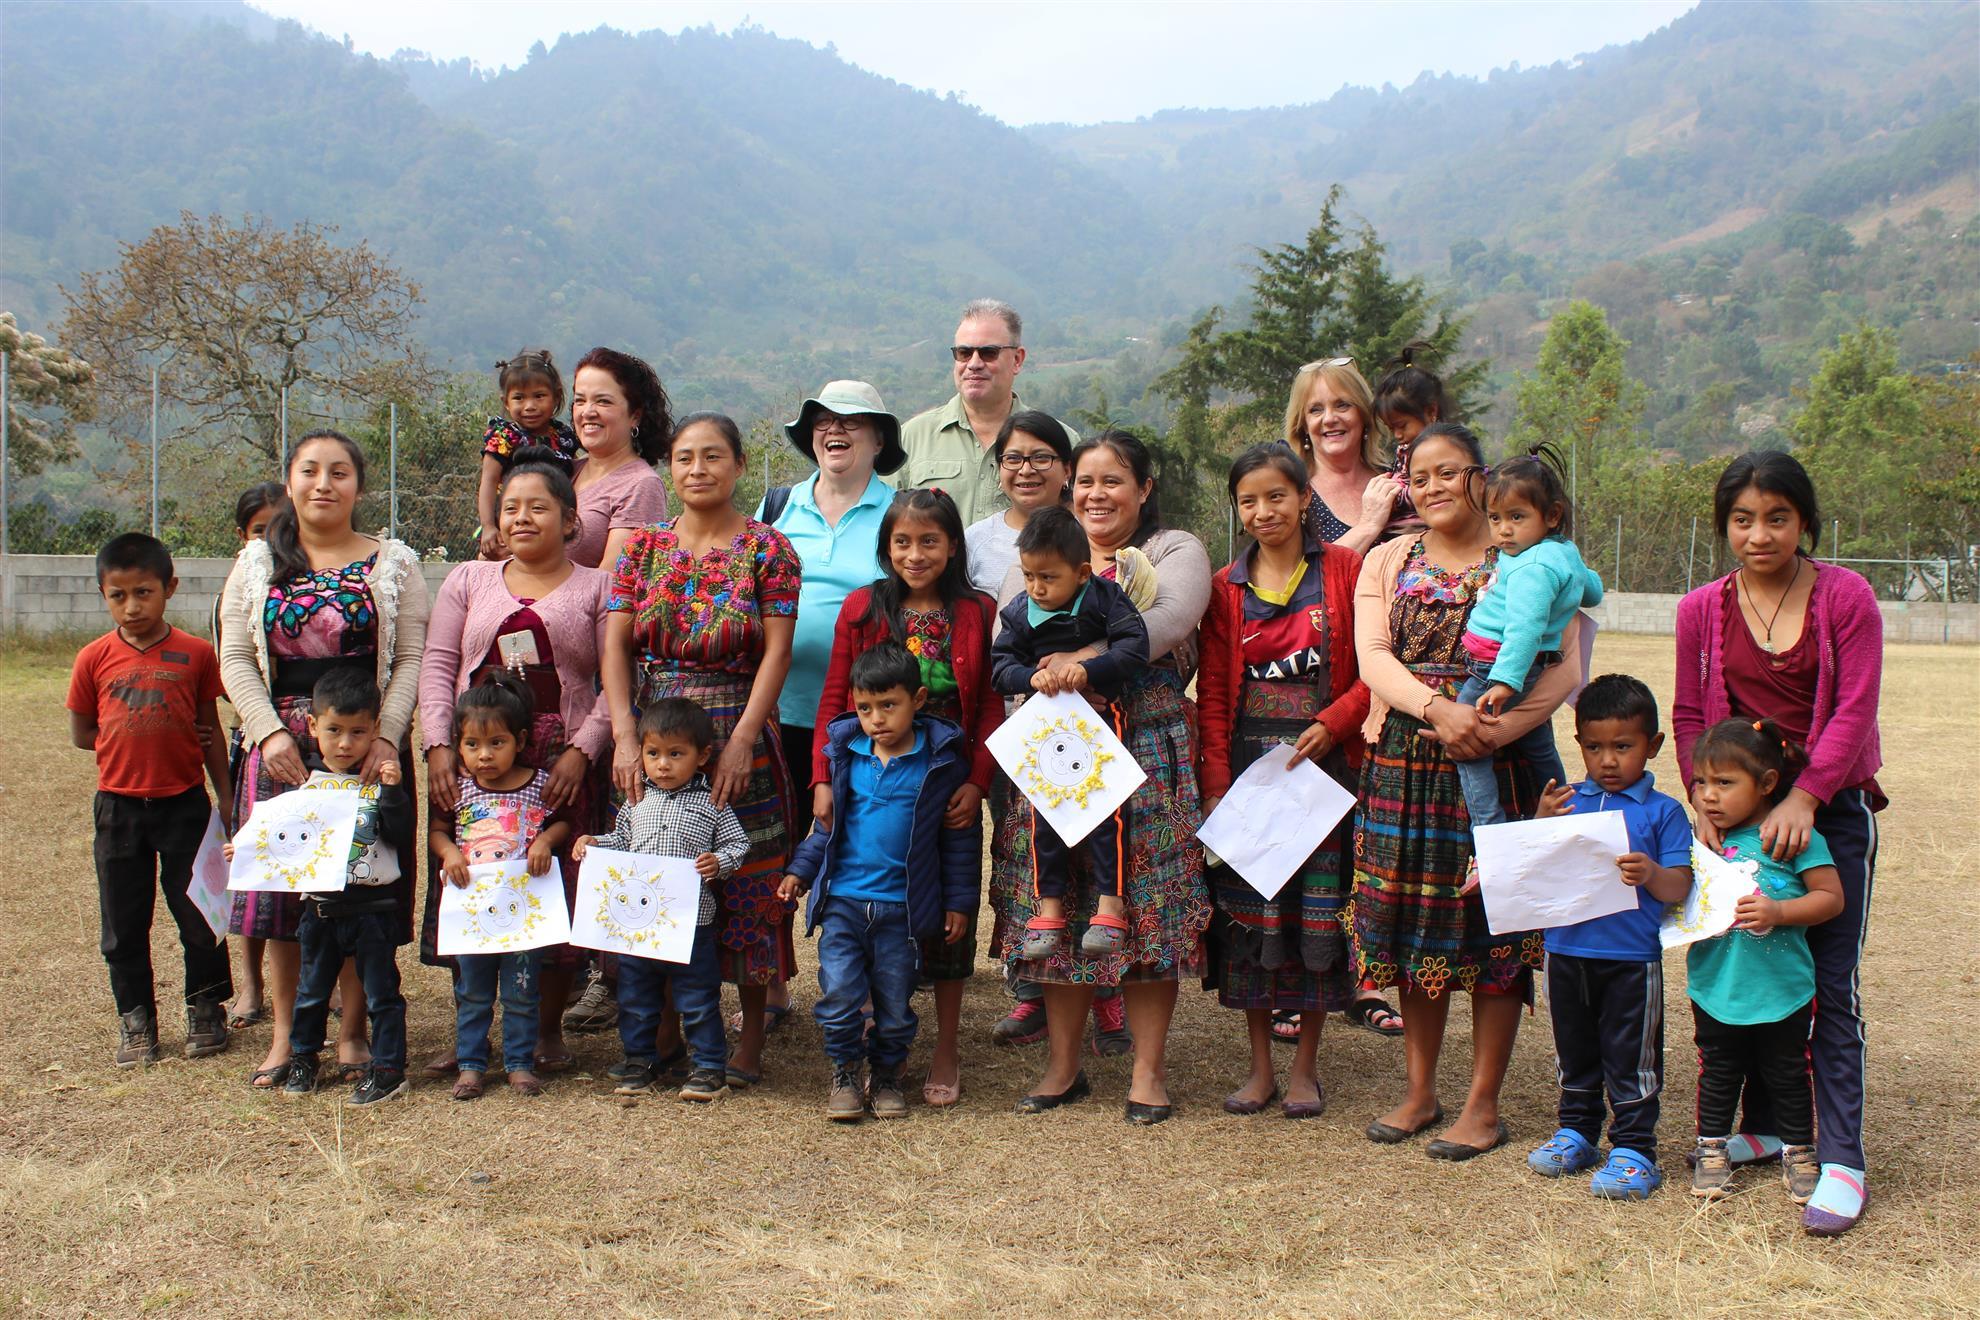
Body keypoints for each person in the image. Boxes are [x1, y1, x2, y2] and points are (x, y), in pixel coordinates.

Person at [1351, 422, 1583, 1159]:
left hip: (1500, 758)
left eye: (1449, 472)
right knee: (1417, 928)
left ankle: (1483, 1105)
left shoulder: (1530, 551)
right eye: (1420, 477)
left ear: (1481, 477)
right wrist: (1439, 712)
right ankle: (1420, 1092)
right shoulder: (1389, 558)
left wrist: (1496, 730)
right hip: (1409, 758)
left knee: (1495, 931)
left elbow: (1565, 665)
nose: (1433, 487)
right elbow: (1373, 655)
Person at [1673, 450, 1884, 1236]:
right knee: (1739, 969)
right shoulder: (1701, 609)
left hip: (1825, 811)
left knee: (1827, 986)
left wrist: (1806, 793)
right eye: (1741, 519)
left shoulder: (1846, 597)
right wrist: (1704, 799)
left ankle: (1842, 1161)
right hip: (1736, 822)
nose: (1759, 535)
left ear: (1804, 521)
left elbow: (1854, 709)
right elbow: (1691, 714)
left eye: (1777, 517)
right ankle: (1763, 1126)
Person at [991, 429, 1213, 1123]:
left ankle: (1147, 1072)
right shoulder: (1038, 554)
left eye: (1113, 480)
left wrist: (1075, 661)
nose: (1095, 493)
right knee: (1059, 902)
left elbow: (1164, 623)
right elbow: (1009, 639)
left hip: (1141, 738)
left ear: (1144, 489)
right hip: (1056, 740)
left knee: (1141, 900)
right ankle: (1063, 1066)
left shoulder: (1175, 550)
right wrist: (1044, 678)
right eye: (1084, 479)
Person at [218, 430, 428, 1091]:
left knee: (361, 893)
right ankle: (288, 1034)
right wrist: (272, 733)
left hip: (366, 747)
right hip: (283, 750)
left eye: (339, 472)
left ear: (359, 488)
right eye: (309, 471)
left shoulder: (392, 564)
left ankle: (353, 1033)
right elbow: (234, 657)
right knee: (288, 898)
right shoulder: (256, 561)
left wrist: (387, 738)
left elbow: (413, 658)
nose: (323, 483)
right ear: (289, 481)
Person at [603, 411, 801, 1087]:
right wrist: (625, 736)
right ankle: (659, 1032)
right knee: (651, 868)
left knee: (741, 878)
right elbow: (615, 647)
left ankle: (747, 1039)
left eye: (713, 456)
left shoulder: (768, 550)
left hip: (738, 723)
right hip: (654, 733)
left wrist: (744, 736)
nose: (697, 469)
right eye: (684, 457)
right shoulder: (641, 549)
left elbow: (778, 648)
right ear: (669, 467)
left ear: (740, 465)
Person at [419, 450, 614, 1075]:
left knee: (550, 883)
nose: (523, 518)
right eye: (510, 508)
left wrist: (584, 750)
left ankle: (546, 1031)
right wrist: (439, 745)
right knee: (469, 881)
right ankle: (471, 1032)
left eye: (539, 507)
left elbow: (618, 679)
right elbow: (438, 663)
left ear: (570, 520)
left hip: (562, 760)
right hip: (475, 756)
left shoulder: (598, 587)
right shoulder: (467, 581)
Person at [812, 489, 1003, 1107]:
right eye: (902, 542)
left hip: (946, 784)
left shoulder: (977, 609)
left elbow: (991, 705)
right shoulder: (863, 607)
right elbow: (837, 695)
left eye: (929, 541)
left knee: (950, 911)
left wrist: (977, 780)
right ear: (885, 546)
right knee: (869, 893)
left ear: (952, 546)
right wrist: (823, 776)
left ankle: (944, 1048)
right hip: (871, 773)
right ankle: (865, 1048)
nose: (915, 554)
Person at [1195, 445, 1368, 1120]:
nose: (1263, 511)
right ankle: (1260, 1067)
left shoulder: (1347, 571)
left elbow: (1368, 670)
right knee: (1252, 921)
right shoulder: (1223, 587)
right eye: (1248, 500)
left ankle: (1305, 1069)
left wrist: (1333, 721)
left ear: (1303, 499)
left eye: (1276, 496)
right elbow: (1212, 691)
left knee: (1313, 916)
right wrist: (1216, 781)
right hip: (1248, 777)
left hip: (1324, 775)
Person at [780, 644, 982, 1121]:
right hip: (845, 904)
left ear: (918, 699)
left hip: (903, 912)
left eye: (888, 706)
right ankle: (845, 1072)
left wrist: (957, 902)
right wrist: (799, 871)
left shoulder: (940, 764)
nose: (876, 719)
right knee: (840, 993)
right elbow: (827, 828)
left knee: (895, 1002)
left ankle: (888, 1074)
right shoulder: (846, 757)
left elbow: (956, 843)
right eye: (865, 708)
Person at [1524, 674, 1694, 1199]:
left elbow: (1679, 886)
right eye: (1595, 747)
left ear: (1653, 745)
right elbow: (1532, 861)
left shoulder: (1663, 812)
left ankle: (1635, 1147)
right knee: (1573, 1048)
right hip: (1565, 951)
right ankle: (1576, 1131)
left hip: (1629, 957)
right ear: (1578, 745)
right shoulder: (1566, 800)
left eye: (1623, 747)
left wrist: (1651, 875)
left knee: (1631, 1054)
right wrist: (1540, 819)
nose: (1609, 760)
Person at [68, 533, 234, 1067]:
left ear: (169, 589)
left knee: (198, 911)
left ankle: (206, 1008)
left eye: (144, 592)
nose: (132, 606)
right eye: (118, 596)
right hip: (118, 809)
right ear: (103, 594)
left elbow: (210, 727)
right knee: (123, 919)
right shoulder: (92, 658)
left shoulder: (195, 654)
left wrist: (225, 797)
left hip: (184, 803)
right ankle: (136, 1018)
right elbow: (81, 732)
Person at [1683, 718, 1845, 1211]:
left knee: (1787, 1072)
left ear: (1768, 783)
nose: (1709, 796)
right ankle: (1712, 1149)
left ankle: (1798, 1152)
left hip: (1783, 987)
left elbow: (1830, 899)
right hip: (1715, 984)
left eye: (1724, 783)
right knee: (1718, 1070)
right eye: (1702, 783)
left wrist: (1778, 912)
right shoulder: (1705, 839)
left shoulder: (1790, 836)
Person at [244, 670, 415, 1106]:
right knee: (312, 991)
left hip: (374, 908)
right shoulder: (304, 788)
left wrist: (393, 795)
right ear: (313, 727)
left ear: (375, 729)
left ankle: (389, 1070)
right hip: (319, 911)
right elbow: (280, 840)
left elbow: (399, 834)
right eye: (334, 730)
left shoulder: (381, 783)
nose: (345, 743)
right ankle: (303, 1058)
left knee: (382, 993)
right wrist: (244, 851)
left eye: (358, 732)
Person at [573, 699, 751, 1104]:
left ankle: (708, 1066)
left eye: (676, 754)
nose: (663, 765)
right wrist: (594, 843)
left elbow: (738, 844)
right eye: (653, 754)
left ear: (702, 755)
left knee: (698, 997)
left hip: (691, 924)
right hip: (639, 926)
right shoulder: (636, 802)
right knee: (636, 996)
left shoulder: (712, 804)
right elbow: (621, 842)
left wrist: (718, 861)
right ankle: (640, 1060)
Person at [992, 505, 1150, 960]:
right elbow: (1000, 668)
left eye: (1048, 577)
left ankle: (1111, 908)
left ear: (1082, 573)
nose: (1036, 589)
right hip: (1046, 728)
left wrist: (1087, 668)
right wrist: (1030, 678)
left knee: (1107, 811)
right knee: (1047, 814)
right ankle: (1049, 910)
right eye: (1029, 576)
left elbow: (1135, 649)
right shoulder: (1021, 611)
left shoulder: (1105, 598)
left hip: (1103, 720)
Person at [759, 380, 904, 832]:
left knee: (851, 850)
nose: (833, 429)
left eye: (851, 422)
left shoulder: (900, 513)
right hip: (775, 712)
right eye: (823, 421)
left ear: (879, 440)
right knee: (776, 854)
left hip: (865, 718)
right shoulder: (777, 507)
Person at [429, 674, 575, 1100]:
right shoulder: (459, 790)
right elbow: (439, 831)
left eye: (497, 743)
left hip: (523, 915)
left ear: (520, 739)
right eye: (472, 745)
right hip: (473, 914)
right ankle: (472, 1065)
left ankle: (519, 1063)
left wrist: (546, 840)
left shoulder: (538, 784)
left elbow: (561, 822)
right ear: (458, 744)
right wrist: (449, 853)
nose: (484, 755)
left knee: (521, 990)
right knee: (472, 992)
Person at [1453, 447, 1603, 842]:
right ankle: (1562, 807)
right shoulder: (1562, 553)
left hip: (1494, 669)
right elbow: (1592, 590)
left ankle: (1488, 830)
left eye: (1517, 518)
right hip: (1531, 668)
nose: (1504, 531)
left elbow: (1524, 630)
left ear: (1551, 516)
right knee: (1538, 743)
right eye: (1495, 518)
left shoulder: (1532, 569)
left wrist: (1504, 683)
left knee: (1467, 746)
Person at [213, 482, 285, 1033]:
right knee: (259, 873)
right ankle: (253, 984)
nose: (271, 537)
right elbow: (231, 665)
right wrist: (263, 727)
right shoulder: (241, 585)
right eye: (260, 529)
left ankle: (323, 982)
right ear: (243, 536)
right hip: (257, 740)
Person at [900, 299, 1074, 526]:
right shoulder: (911, 437)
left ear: (1017, 359)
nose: (974, 363)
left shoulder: (1061, 439)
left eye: (988, 353)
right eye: (964, 352)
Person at [566, 346, 671, 572]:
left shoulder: (641, 485)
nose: (587, 412)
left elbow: (613, 581)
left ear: (635, 415)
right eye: (580, 400)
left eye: (603, 401)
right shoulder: (564, 471)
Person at [1283, 357, 1400, 556]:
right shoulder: (1291, 496)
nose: (1329, 419)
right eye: (1316, 410)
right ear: (1303, 424)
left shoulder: (1397, 482)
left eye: (1342, 405)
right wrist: (1368, 526)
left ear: (1363, 414)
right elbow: (1296, 579)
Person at [476, 349, 579, 560]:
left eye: (539, 396)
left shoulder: (564, 437)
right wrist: (488, 527)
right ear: (506, 402)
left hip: (550, 529)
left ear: (556, 396)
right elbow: (488, 481)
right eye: (519, 398)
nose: (530, 406)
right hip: (510, 529)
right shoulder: (505, 437)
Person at [963, 410, 1074, 596]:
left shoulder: (1089, 534)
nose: (1026, 470)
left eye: (1041, 458)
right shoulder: (975, 540)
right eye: (1013, 459)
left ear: (1067, 469)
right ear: (999, 468)